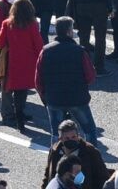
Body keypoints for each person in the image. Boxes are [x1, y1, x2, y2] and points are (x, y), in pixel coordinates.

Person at [35, 16, 98, 146]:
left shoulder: (45, 51)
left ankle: (56, 161)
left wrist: (45, 97)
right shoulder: (79, 51)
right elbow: (90, 76)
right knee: (89, 131)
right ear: (69, 31)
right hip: (77, 99)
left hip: (54, 98)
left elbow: (38, 79)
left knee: (57, 134)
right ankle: (92, 160)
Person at [0, 0, 43, 132]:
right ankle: (20, 114)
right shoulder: (33, 25)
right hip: (28, 62)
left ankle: (11, 116)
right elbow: (38, 45)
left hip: (11, 61)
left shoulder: (7, 23)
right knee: (23, 90)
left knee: (8, 89)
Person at [41, 120, 109, 189]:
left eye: (73, 137)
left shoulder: (90, 151)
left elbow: (103, 177)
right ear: (60, 139)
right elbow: (47, 175)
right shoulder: (55, 151)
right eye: (67, 138)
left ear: (78, 136)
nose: (70, 140)